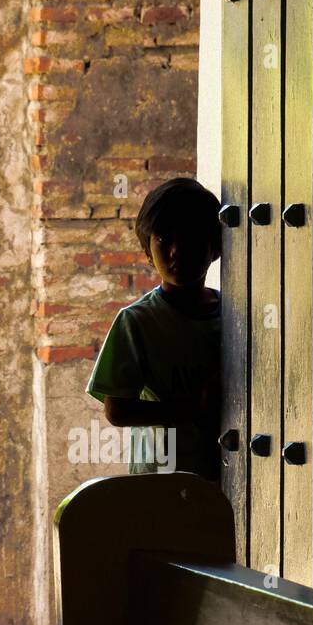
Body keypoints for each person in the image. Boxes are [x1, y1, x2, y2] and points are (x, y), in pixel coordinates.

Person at [85, 177, 222, 482]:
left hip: (225, 478)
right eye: (163, 238)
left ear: (215, 248)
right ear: (147, 250)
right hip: (160, 482)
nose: (176, 251)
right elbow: (117, 410)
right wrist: (191, 409)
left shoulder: (233, 317)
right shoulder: (137, 322)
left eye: (191, 239)